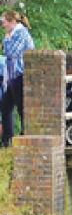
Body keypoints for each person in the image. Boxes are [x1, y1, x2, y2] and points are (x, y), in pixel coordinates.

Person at [0, 11, 33, 147]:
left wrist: (7, 38)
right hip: (13, 76)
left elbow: (11, 53)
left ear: (12, 21)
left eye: (4, 22)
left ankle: (25, 137)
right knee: (6, 106)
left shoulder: (21, 33)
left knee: (21, 107)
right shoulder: (12, 34)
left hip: (21, 75)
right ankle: (7, 140)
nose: (3, 25)